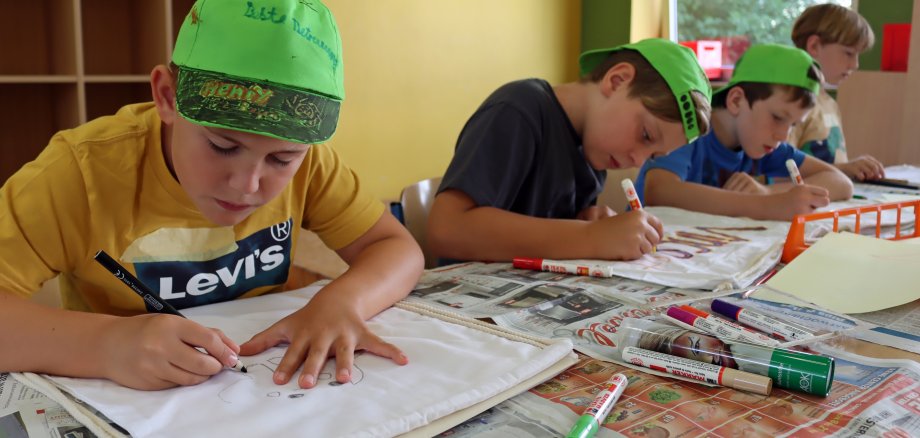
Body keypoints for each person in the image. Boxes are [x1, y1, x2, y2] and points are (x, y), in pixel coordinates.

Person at [0, 0, 423, 391]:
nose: (248, 184)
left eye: (281, 159)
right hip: (128, 393)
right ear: (167, 97)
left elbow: (395, 248)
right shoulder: (80, 172)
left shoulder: (312, 164)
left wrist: (341, 302)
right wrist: (106, 344)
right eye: (223, 146)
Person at [427, 39, 712, 263]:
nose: (636, 160)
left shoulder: (594, 154)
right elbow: (447, 229)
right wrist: (590, 236)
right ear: (617, 80)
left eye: (652, 156)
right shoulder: (519, 110)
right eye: (646, 134)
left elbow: (546, 231)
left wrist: (584, 221)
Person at [637, 44, 853, 221]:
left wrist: (768, 192)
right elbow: (660, 191)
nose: (783, 135)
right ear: (736, 100)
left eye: (794, 125)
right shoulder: (689, 129)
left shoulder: (764, 144)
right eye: (778, 118)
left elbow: (841, 183)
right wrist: (766, 205)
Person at [790, 3, 884, 181]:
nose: (855, 65)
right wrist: (844, 170)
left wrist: (852, 169)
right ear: (814, 46)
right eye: (848, 53)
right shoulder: (791, 103)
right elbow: (780, 169)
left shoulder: (829, 104)